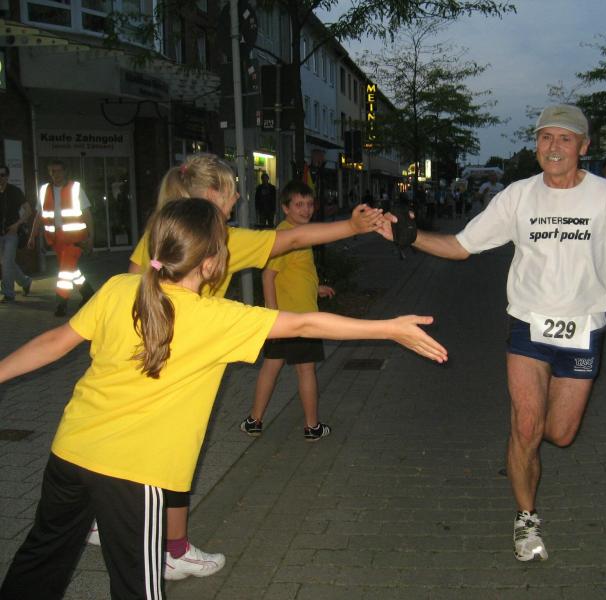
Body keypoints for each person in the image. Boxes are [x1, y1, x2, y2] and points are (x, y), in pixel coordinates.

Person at [0, 198, 447, 600]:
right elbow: (304, 324)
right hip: (135, 474)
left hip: (70, 454)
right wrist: (387, 328)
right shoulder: (215, 318)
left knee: (42, 557)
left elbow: (54, 342)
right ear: (212, 263)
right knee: (138, 586)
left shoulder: (119, 287)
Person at [379, 104, 606, 562]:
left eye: (564, 138)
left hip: (583, 331)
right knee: (526, 426)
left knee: (560, 433)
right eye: (545, 137)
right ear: (536, 144)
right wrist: (409, 236)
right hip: (528, 325)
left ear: (583, 146)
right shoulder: (518, 196)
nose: (553, 147)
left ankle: (527, 442)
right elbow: (461, 246)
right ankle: (526, 518)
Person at [118, 153, 387, 581]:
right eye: (231, 190)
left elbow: (129, 288)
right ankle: (169, 547)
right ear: (211, 194)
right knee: (176, 451)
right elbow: (291, 240)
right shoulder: (223, 239)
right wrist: (352, 227)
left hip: (148, 354)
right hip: (186, 363)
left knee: (146, 440)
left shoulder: (159, 230)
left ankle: (118, 517)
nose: (239, 198)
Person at [241, 181, 335, 439]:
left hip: (286, 317)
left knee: (271, 367)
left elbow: (291, 274)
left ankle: (254, 421)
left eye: (309, 204)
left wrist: (314, 288)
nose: (306, 210)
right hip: (297, 319)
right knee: (306, 370)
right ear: (285, 208)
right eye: (298, 205)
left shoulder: (296, 233)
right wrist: (273, 317)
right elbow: (267, 277)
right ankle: (312, 427)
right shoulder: (286, 237)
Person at [28, 160, 94, 316]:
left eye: (58, 171)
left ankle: (61, 302)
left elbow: (87, 215)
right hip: (56, 239)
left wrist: (91, 238)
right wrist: (32, 236)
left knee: (64, 272)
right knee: (71, 269)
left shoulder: (75, 188)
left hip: (75, 238)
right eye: (52, 171)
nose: (55, 174)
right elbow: (39, 215)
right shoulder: (44, 190)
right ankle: (88, 293)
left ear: (65, 172)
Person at [0, 165, 33, 303]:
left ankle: (8, 294)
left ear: (7, 176)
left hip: (11, 233)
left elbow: (28, 211)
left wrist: (17, 224)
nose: (0, 178)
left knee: (6, 264)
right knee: (7, 263)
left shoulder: (14, 191)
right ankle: (25, 282)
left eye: (2, 175)